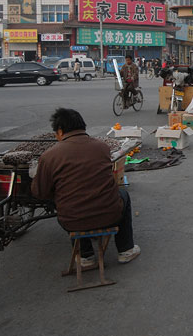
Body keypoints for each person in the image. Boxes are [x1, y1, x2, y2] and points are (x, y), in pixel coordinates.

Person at [31, 108, 140, 265]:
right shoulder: (102, 148)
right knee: (123, 194)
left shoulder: (49, 156)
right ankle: (125, 250)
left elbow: (40, 192)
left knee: (67, 202)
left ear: (60, 131)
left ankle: (85, 256)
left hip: (72, 221)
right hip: (110, 215)